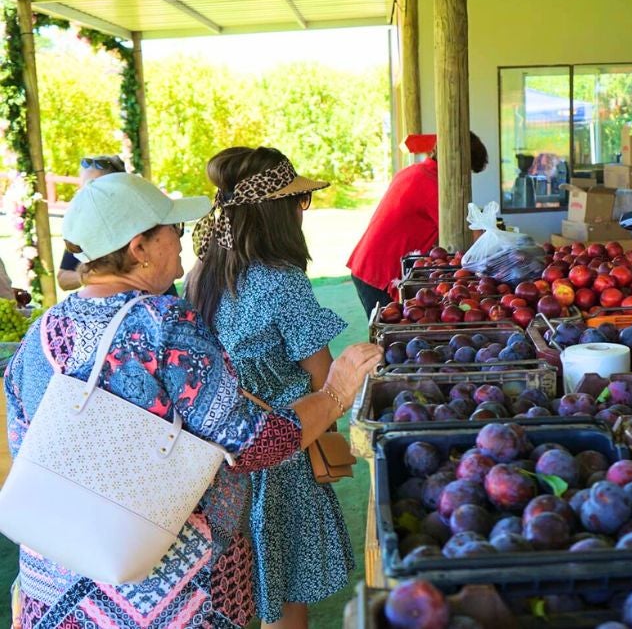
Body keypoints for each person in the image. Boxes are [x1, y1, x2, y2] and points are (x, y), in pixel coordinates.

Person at [5, 172, 381, 628]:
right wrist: (337, 392)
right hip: (172, 590)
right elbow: (251, 444)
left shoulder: (40, 331)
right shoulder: (164, 323)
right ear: (139, 248)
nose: (182, 242)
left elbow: (25, 449)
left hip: (59, 582)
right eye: (173, 231)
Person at [186, 147, 352, 629]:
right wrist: (332, 428)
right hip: (282, 450)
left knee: (237, 590)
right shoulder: (283, 281)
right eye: (298, 201)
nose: (303, 211)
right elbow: (325, 379)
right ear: (275, 211)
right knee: (281, 595)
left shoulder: (202, 276)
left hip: (217, 455)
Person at [347, 131, 489, 317]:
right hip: (380, 271)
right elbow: (470, 234)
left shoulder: (414, 171)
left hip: (368, 264)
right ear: (460, 164)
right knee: (389, 334)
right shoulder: (433, 186)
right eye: (468, 171)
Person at [57, 155, 179, 296]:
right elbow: (63, 279)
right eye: (84, 188)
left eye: (98, 187)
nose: (89, 194)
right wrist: (95, 274)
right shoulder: (85, 232)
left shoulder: (145, 217)